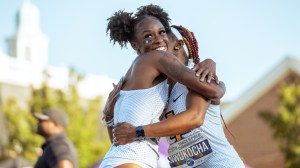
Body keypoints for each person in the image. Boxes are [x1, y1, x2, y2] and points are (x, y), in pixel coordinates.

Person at [100, 6, 225, 168]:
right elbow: (213, 91)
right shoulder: (158, 57)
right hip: (133, 161)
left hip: (118, 160)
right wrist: (218, 80)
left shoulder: (129, 78)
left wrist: (108, 114)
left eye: (162, 32)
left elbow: (118, 139)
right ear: (134, 45)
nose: (158, 39)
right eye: (148, 36)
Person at [113, 23, 245, 168]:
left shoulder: (200, 74)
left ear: (178, 44)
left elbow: (194, 117)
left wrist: (138, 132)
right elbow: (121, 138)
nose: (157, 41)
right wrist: (109, 112)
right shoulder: (157, 89)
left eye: (163, 35)